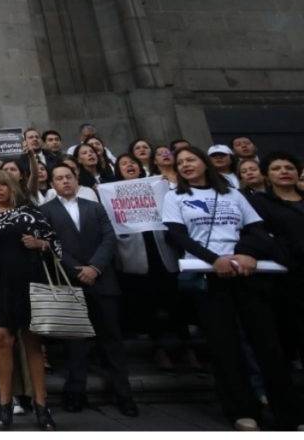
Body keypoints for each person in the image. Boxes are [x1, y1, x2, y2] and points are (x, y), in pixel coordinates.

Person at [162, 146, 303, 431]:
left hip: (248, 273)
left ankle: (289, 412)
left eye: (191, 159)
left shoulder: (233, 194)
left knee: (268, 345)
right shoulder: (174, 197)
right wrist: (215, 260)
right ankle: (242, 410)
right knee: (224, 346)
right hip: (208, 276)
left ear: (204, 163)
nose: (186, 165)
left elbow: (257, 229)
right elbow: (177, 236)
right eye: (181, 163)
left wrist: (246, 253)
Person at [40, 164, 137, 417]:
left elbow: (109, 238)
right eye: (59, 178)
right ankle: (75, 392)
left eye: (68, 177)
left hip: (102, 281)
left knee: (112, 340)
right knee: (75, 343)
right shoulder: (45, 211)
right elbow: (51, 244)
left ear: (76, 180)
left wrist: (95, 267)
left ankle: (123, 394)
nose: (65, 182)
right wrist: (75, 269)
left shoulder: (94, 207)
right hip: (70, 282)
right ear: (52, 184)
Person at [0, 170, 56, 430]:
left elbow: (53, 243)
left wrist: (38, 243)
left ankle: (42, 405)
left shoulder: (29, 213)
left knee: (31, 341)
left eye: (2, 185)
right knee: (1, 340)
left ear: (11, 188)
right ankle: (4, 404)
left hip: (28, 282)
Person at [111, 154, 198, 372]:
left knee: (175, 303)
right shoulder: (111, 192)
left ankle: (186, 349)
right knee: (148, 304)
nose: (129, 166)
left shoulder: (159, 187)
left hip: (164, 253)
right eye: (123, 164)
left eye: (132, 163)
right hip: (137, 256)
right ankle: (159, 348)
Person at [245, 152, 304, 375]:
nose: (284, 172)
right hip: (290, 276)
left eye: (288, 168)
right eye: (277, 169)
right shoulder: (259, 202)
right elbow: (260, 235)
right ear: (267, 176)